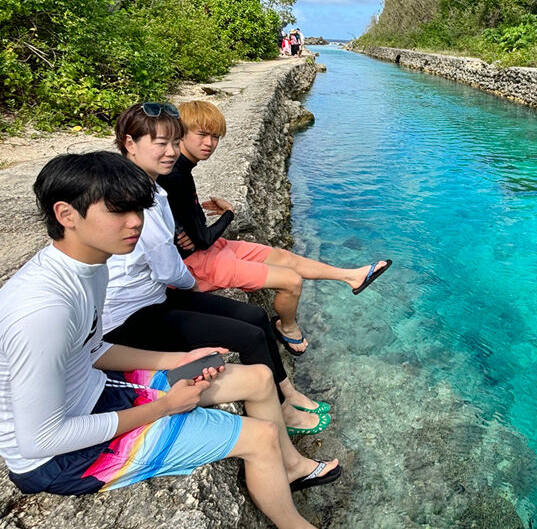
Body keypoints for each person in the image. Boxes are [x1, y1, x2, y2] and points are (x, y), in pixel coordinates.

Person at [0, 151, 340, 527]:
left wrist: (171, 361)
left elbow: (92, 350)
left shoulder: (90, 266)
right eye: (118, 211)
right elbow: (40, 441)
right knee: (260, 437)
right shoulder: (44, 310)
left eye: (139, 210)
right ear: (66, 215)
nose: (135, 223)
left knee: (259, 377)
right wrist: (164, 407)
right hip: (62, 458)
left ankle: (290, 466)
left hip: (95, 393)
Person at [102, 103, 330, 436]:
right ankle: (282, 413)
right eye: (159, 143)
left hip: (155, 297)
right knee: (250, 337)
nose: (170, 152)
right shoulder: (137, 197)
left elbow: (171, 252)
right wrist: (188, 276)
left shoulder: (154, 187)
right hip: (131, 316)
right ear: (129, 143)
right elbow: (170, 269)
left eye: (173, 142)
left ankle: (288, 391)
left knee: (254, 318)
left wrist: (180, 252)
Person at [159, 101, 391, 356]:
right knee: (291, 281)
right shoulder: (175, 175)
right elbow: (201, 240)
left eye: (215, 136)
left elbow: (190, 229)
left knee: (283, 256)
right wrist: (228, 214)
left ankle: (351, 276)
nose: (210, 143)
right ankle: (287, 327)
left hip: (208, 251)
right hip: (197, 266)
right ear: (180, 133)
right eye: (202, 135)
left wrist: (185, 230)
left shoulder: (181, 169)